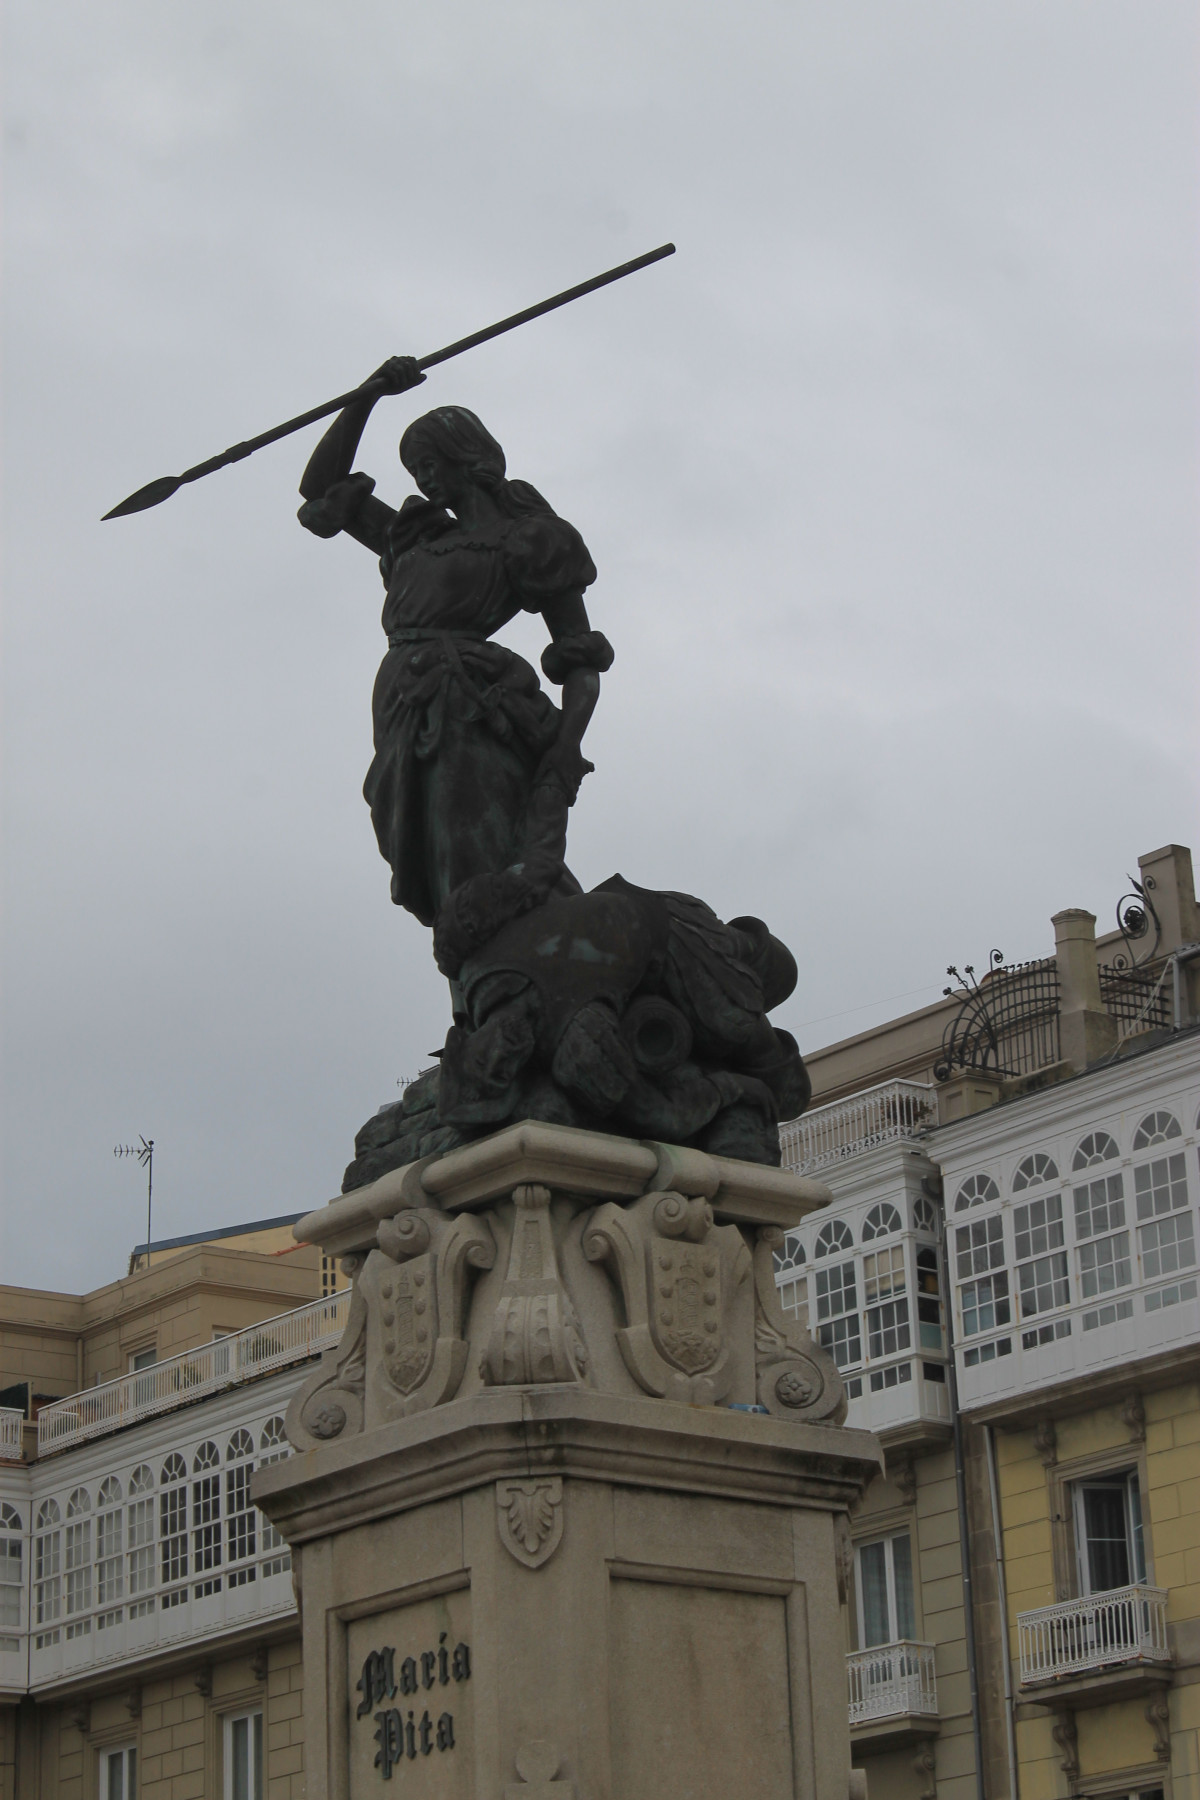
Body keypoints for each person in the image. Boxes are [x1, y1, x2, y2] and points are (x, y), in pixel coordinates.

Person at [297, 356, 612, 931]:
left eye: (429, 463)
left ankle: (541, 943)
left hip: (467, 701)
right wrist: (365, 397)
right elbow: (319, 489)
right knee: (428, 846)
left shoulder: (529, 538)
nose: (423, 479)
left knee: (472, 842)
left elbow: (581, 657)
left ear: (468, 456)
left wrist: (566, 749)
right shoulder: (415, 536)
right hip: (401, 700)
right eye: (415, 469)